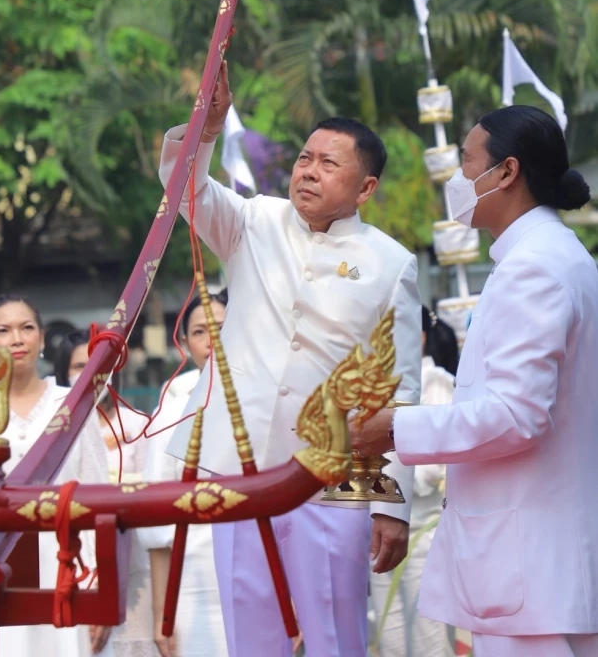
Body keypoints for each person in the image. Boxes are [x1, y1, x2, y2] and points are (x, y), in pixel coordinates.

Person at [159, 61, 422, 657]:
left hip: (333, 477)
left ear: (366, 187)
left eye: (330, 164)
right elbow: (183, 185)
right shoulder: (254, 219)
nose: (309, 171)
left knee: (335, 635)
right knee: (252, 634)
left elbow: (396, 388)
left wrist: (391, 503)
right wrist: (210, 123)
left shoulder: (391, 262)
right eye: (306, 158)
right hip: (242, 467)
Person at [356, 105, 598, 657]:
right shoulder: (552, 257)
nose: (457, 179)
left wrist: (395, 428)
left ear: (507, 172)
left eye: (467, 162)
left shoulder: (534, 267)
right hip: (542, 566)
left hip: (529, 570)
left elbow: (517, 415)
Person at [0, 295, 113, 657]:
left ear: (40, 338)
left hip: (69, 568)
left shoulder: (74, 405)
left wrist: (100, 588)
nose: (17, 339)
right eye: (3, 331)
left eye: (26, 328)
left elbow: (101, 498)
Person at [55, 330, 156, 657]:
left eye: (99, 365)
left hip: (132, 558)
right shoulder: (55, 429)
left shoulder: (139, 424)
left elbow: (152, 490)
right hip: (74, 556)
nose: (91, 374)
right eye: (79, 366)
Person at [143, 291, 229, 657]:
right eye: (199, 331)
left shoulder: (273, 400)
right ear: (185, 342)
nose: (211, 340)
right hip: (193, 581)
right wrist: (162, 612)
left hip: (261, 573)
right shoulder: (172, 409)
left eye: (223, 329)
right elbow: (157, 519)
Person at [370, 307, 456, 657]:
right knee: (388, 635)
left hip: (424, 531)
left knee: (429, 635)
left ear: (416, 337)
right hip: (375, 530)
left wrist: (382, 476)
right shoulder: (365, 387)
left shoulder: (435, 382)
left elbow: (436, 467)